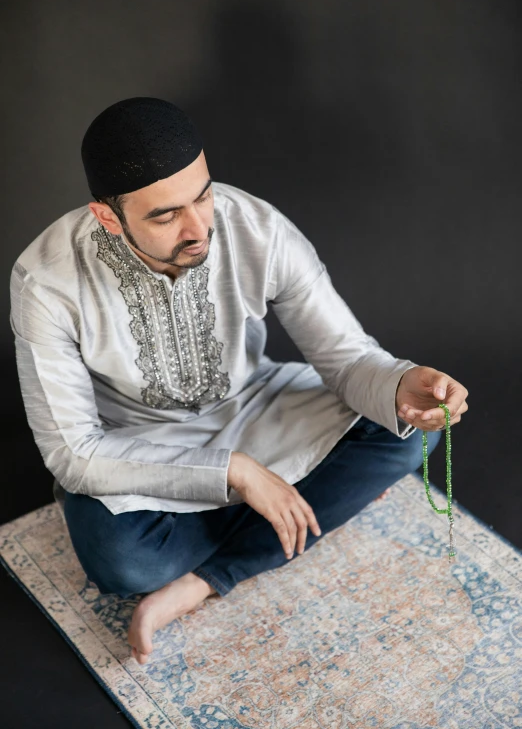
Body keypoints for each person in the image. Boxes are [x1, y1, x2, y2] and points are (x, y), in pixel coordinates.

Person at [9, 97, 469, 665]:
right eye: (165, 214)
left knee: (410, 431)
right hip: (136, 446)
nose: (199, 226)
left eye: (202, 194)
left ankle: (205, 578)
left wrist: (401, 386)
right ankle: (286, 503)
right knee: (124, 564)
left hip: (254, 407)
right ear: (108, 216)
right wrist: (236, 473)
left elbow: (348, 361)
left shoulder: (256, 227)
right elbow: (73, 453)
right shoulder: (45, 282)